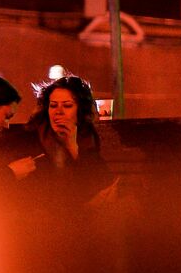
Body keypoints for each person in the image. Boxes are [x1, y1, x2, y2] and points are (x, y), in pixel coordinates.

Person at [24, 73, 117, 207]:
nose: (58, 112)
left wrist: (73, 148)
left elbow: (101, 182)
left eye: (67, 106)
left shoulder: (88, 137)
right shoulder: (34, 137)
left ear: (80, 111)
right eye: (53, 105)